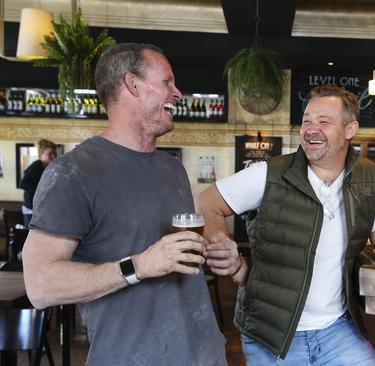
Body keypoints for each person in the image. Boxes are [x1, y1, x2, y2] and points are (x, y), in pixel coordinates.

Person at [21, 43, 227, 366]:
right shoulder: (73, 172)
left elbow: (178, 262)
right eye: (167, 82)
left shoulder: (173, 169)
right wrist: (139, 266)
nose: (177, 93)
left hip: (205, 355)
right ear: (132, 84)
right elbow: (40, 286)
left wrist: (214, 252)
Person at [198, 84, 375, 364]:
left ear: (350, 129)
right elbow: (206, 203)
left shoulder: (369, 178)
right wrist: (226, 248)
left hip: (337, 330)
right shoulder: (269, 174)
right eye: (306, 121)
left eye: (324, 122)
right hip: (272, 334)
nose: (311, 130)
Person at [18, 138, 57, 226]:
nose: (53, 156)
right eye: (50, 153)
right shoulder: (36, 165)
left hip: (39, 209)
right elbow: (23, 184)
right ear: (41, 155)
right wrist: (42, 188)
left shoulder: (49, 168)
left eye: (54, 153)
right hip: (31, 209)